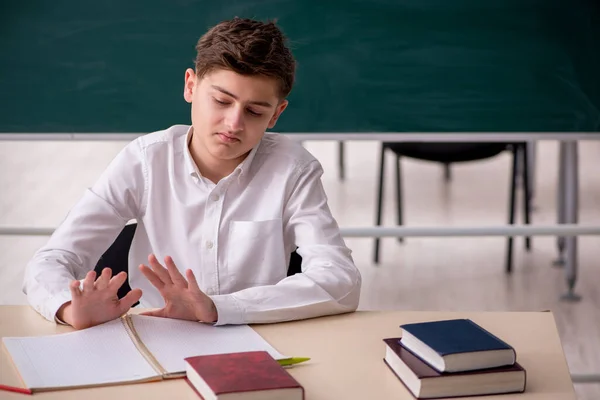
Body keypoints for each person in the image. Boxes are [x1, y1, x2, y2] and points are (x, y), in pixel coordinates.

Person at [23, 17, 361, 330]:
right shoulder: (145, 160)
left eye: (255, 111)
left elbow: (341, 281)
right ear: (190, 86)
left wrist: (217, 308)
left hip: (255, 338)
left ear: (276, 114)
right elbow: (53, 259)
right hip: (158, 335)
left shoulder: (293, 169)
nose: (234, 124)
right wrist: (68, 308)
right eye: (221, 101)